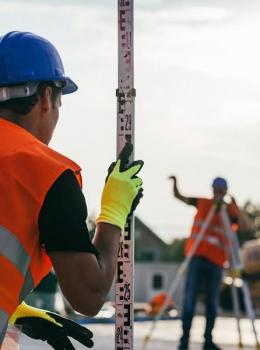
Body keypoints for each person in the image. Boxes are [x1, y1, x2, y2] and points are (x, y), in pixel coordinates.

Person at [0, 31, 143, 349]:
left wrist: (14, 310)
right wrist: (114, 213)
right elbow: (88, 296)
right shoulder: (46, 173)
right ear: (47, 97)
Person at [169, 176, 245, 350]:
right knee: (189, 301)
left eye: (221, 190)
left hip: (217, 264)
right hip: (196, 259)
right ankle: (184, 342)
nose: (217, 193)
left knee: (212, 303)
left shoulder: (230, 211)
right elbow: (180, 196)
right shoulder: (203, 203)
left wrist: (235, 204)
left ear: (225, 191)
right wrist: (175, 183)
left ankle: (208, 341)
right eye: (215, 189)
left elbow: (245, 225)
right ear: (212, 189)